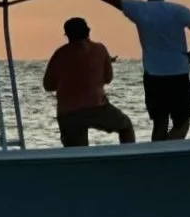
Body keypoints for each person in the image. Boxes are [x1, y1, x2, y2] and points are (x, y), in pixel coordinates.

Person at [73, 0, 190, 142]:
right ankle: (166, 154)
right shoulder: (178, 10)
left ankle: (158, 157)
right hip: (178, 72)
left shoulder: (139, 9)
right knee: (182, 123)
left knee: (160, 122)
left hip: (153, 74)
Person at [43, 16, 136, 147]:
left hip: (68, 111)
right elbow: (108, 78)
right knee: (125, 126)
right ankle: (128, 159)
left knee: (76, 152)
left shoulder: (60, 54)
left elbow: (48, 85)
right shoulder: (100, 49)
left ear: (67, 35)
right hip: (97, 107)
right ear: (88, 31)